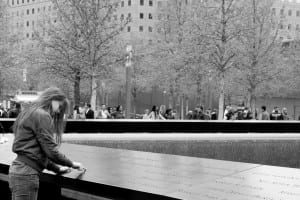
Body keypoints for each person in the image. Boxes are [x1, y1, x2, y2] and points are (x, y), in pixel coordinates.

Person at [8, 87, 84, 200]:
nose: (58, 111)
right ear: (52, 100)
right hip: (27, 175)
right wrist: (71, 163)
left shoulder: (29, 112)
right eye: (59, 106)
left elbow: (37, 152)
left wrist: (56, 169)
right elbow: (51, 151)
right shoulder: (42, 115)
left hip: (19, 171)